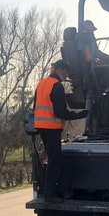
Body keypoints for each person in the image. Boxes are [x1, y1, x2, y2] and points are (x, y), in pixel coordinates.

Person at [34, 60, 88, 203]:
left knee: (53, 159)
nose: (67, 74)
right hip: (52, 128)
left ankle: (56, 191)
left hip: (41, 127)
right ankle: (50, 196)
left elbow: (36, 107)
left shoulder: (41, 84)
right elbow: (60, 112)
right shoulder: (56, 86)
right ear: (59, 70)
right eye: (66, 71)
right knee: (54, 161)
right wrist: (78, 115)